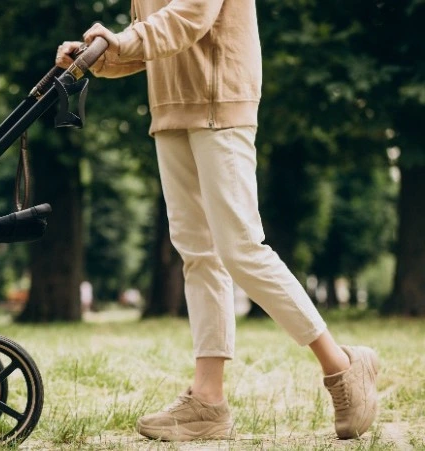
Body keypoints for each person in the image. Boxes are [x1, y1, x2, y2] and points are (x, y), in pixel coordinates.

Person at [57, 0, 379, 442]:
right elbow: (150, 36)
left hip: (220, 102)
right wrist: (98, 55)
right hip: (170, 111)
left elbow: (192, 15)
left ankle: (342, 366)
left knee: (242, 249)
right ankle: (207, 401)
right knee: (198, 255)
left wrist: (125, 40)